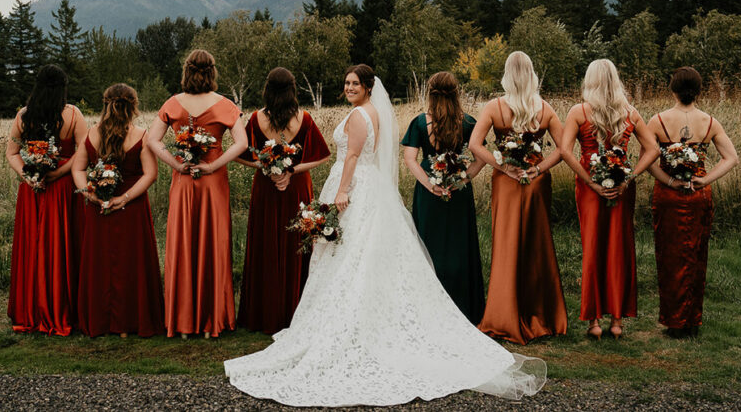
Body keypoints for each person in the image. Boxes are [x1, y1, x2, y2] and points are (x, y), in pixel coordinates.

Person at [225, 65, 546, 407]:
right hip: (368, 187)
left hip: (355, 188)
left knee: (349, 255)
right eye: (346, 83)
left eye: (354, 84)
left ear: (367, 87)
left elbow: (350, 156)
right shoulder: (371, 112)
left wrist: (341, 193)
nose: (348, 87)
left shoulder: (361, 116)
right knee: (353, 255)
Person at [147, 50, 248, 338]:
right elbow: (242, 142)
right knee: (212, 243)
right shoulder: (226, 105)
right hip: (212, 182)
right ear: (212, 72)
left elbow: (153, 140)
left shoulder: (172, 103)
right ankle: (210, 321)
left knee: (183, 243)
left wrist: (177, 164)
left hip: (184, 182)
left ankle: (182, 323)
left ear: (187, 71)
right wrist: (214, 164)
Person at [469, 51, 568, 344]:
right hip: (536, 183)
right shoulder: (545, 108)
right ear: (532, 74)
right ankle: (542, 316)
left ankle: (504, 315)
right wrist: (537, 169)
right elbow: (563, 150)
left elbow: (475, 145)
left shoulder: (494, 107)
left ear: (506, 75)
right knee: (536, 245)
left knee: (507, 244)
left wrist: (504, 167)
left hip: (507, 182)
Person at [559, 59, 659, 339]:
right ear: (615, 81)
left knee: (593, 247)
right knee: (619, 248)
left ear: (589, 81)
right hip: (621, 189)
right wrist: (628, 179)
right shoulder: (629, 112)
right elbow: (652, 150)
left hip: (590, 189)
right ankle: (617, 321)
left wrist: (590, 180)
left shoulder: (579, 112)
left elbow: (565, 151)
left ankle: (593, 322)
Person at [234, 67, 330, 334]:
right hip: (297, 189)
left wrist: (266, 168)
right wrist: (291, 171)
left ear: (267, 89)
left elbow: (237, 153)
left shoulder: (256, 119)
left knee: (266, 243)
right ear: (292, 90)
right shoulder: (305, 118)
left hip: (266, 189)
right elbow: (323, 156)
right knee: (296, 245)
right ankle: (294, 313)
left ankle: (263, 314)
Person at [646, 67, 738, 337]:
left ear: (672, 89)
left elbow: (648, 160)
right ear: (699, 90)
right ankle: (692, 321)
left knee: (669, 256)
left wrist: (671, 181)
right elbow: (731, 158)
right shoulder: (710, 122)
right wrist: (705, 180)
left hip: (668, 196)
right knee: (696, 255)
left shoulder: (657, 121)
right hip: (698, 195)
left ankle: (674, 322)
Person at [71, 83, 164, 337]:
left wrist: (90, 195)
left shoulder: (91, 134)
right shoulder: (142, 135)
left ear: (105, 104)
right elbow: (150, 175)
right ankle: (132, 322)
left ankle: (101, 322)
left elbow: (77, 169)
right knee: (131, 264)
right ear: (133, 107)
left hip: (98, 208)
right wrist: (124, 198)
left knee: (100, 264)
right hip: (131, 210)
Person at [5, 64, 87, 335]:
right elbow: (83, 152)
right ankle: (61, 307)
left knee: (35, 246)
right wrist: (59, 173)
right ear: (62, 88)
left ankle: (31, 308)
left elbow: (12, 153)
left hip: (32, 190)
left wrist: (28, 175)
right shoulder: (73, 114)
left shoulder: (24, 116)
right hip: (60, 189)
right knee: (60, 246)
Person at [401, 71, 485, 324]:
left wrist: (430, 185)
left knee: (429, 245)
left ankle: (428, 306)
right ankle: (463, 305)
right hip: (458, 193)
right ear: (456, 92)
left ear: (430, 92)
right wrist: (461, 180)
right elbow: (481, 158)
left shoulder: (419, 123)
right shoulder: (468, 122)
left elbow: (409, 159)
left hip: (430, 194)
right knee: (459, 245)